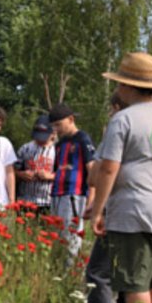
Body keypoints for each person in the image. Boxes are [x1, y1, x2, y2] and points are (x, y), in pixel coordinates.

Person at [91, 52, 152, 303]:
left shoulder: (123, 119)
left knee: (134, 281)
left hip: (133, 210)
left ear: (127, 85)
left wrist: (99, 211)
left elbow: (109, 168)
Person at [84, 92, 128, 303]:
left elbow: (99, 172)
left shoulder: (120, 125)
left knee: (99, 273)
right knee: (147, 276)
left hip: (121, 210)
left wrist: (98, 208)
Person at [49, 102, 95, 258]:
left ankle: (70, 273)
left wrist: (92, 199)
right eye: (53, 126)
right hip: (57, 194)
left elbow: (92, 170)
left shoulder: (83, 139)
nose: (56, 130)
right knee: (56, 237)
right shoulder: (59, 144)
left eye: (58, 125)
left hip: (74, 194)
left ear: (70, 119)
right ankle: (58, 271)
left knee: (71, 236)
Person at [15, 114, 56, 212]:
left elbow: (65, 174)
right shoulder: (25, 148)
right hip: (25, 199)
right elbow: (12, 170)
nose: (40, 140)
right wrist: (21, 174)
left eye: (43, 137)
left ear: (53, 134)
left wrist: (50, 176)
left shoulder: (58, 150)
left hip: (48, 201)